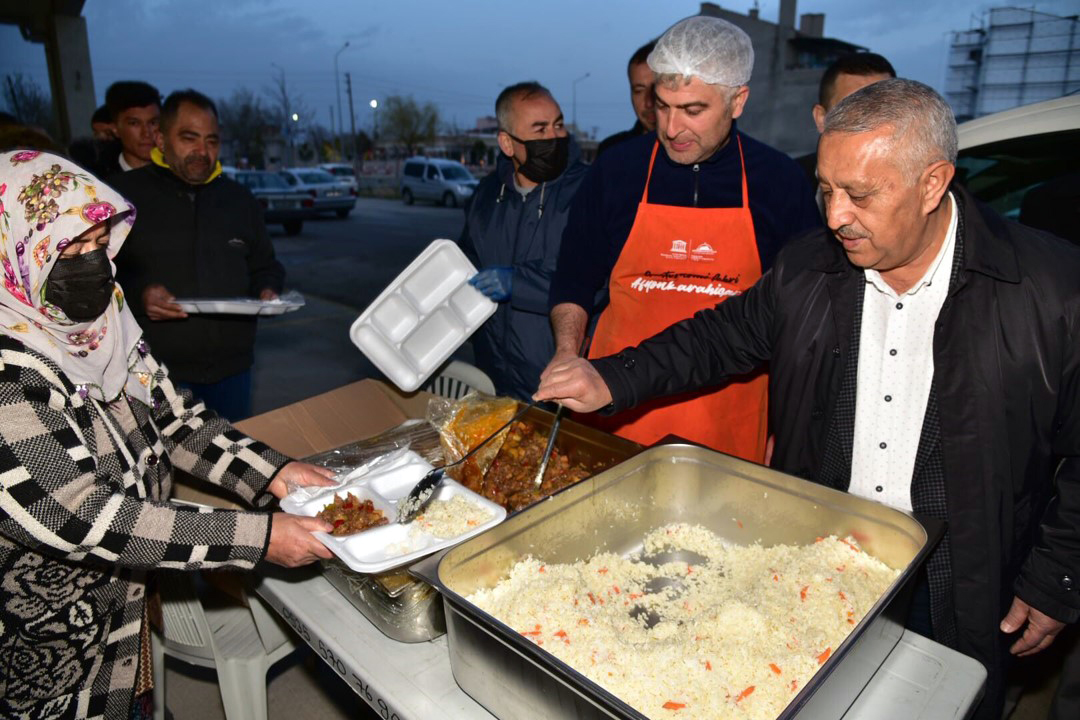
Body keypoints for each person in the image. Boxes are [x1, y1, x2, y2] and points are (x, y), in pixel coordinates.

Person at [536, 78, 1080, 720]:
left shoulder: (1051, 290)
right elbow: (718, 336)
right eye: (826, 190)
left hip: (960, 575)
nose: (834, 216)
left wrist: (1056, 579)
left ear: (933, 184)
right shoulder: (809, 269)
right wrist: (610, 377)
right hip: (816, 558)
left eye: (860, 195)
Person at [0, 149, 336, 719]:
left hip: (123, 622)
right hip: (48, 654)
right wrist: (258, 537)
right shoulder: (9, 375)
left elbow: (174, 420)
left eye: (100, 245)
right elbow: (85, 515)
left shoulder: (103, 320)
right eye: (69, 250)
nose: (94, 266)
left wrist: (274, 471)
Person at [545, 15, 820, 461]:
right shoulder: (617, 171)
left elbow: (802, 319)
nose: (672, 128)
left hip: (727, 420)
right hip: (614, 410)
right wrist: (565, 353)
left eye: (693, 110)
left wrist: (787, 426)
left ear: (737, 101)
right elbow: (574, 280)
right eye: (662, 105)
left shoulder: (779, 181)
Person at [110, 89, 284, 421]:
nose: (202, 152)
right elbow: (101, 275)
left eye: (212, 141)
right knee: (164, 471)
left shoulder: (240, 199)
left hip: (234, 371)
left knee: (235, 465)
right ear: (161, 139)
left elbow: (266, 264)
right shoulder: (124, 197)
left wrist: (268, 289)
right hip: (157, 373)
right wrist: (139, 293)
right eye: (189, 138)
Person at [458, 82, 589, 400]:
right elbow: (467, 259)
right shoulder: (488, 194)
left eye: (557, 125)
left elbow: (597, 279)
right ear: (507, 143)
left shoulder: (589, 190)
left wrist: (521, 283)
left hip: (557, 381)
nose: (553, 138)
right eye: (539, 129)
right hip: (493, 372)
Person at [795, 52, 895, 184]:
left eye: (882, 108)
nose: (870, 120)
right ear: (821, 118)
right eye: (852, 108)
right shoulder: (783, 181)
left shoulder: (921, 187)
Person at [596, 40, 657, 157]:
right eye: (639, 91)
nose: (649, 102)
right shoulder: (612, 152)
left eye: (656, 89)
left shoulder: (694, 153)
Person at [105, 80, 161, 173]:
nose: (146, 133)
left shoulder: (180, 176)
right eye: (134, 123)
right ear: (115, 128)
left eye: (153, 123)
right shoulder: (97, 181)